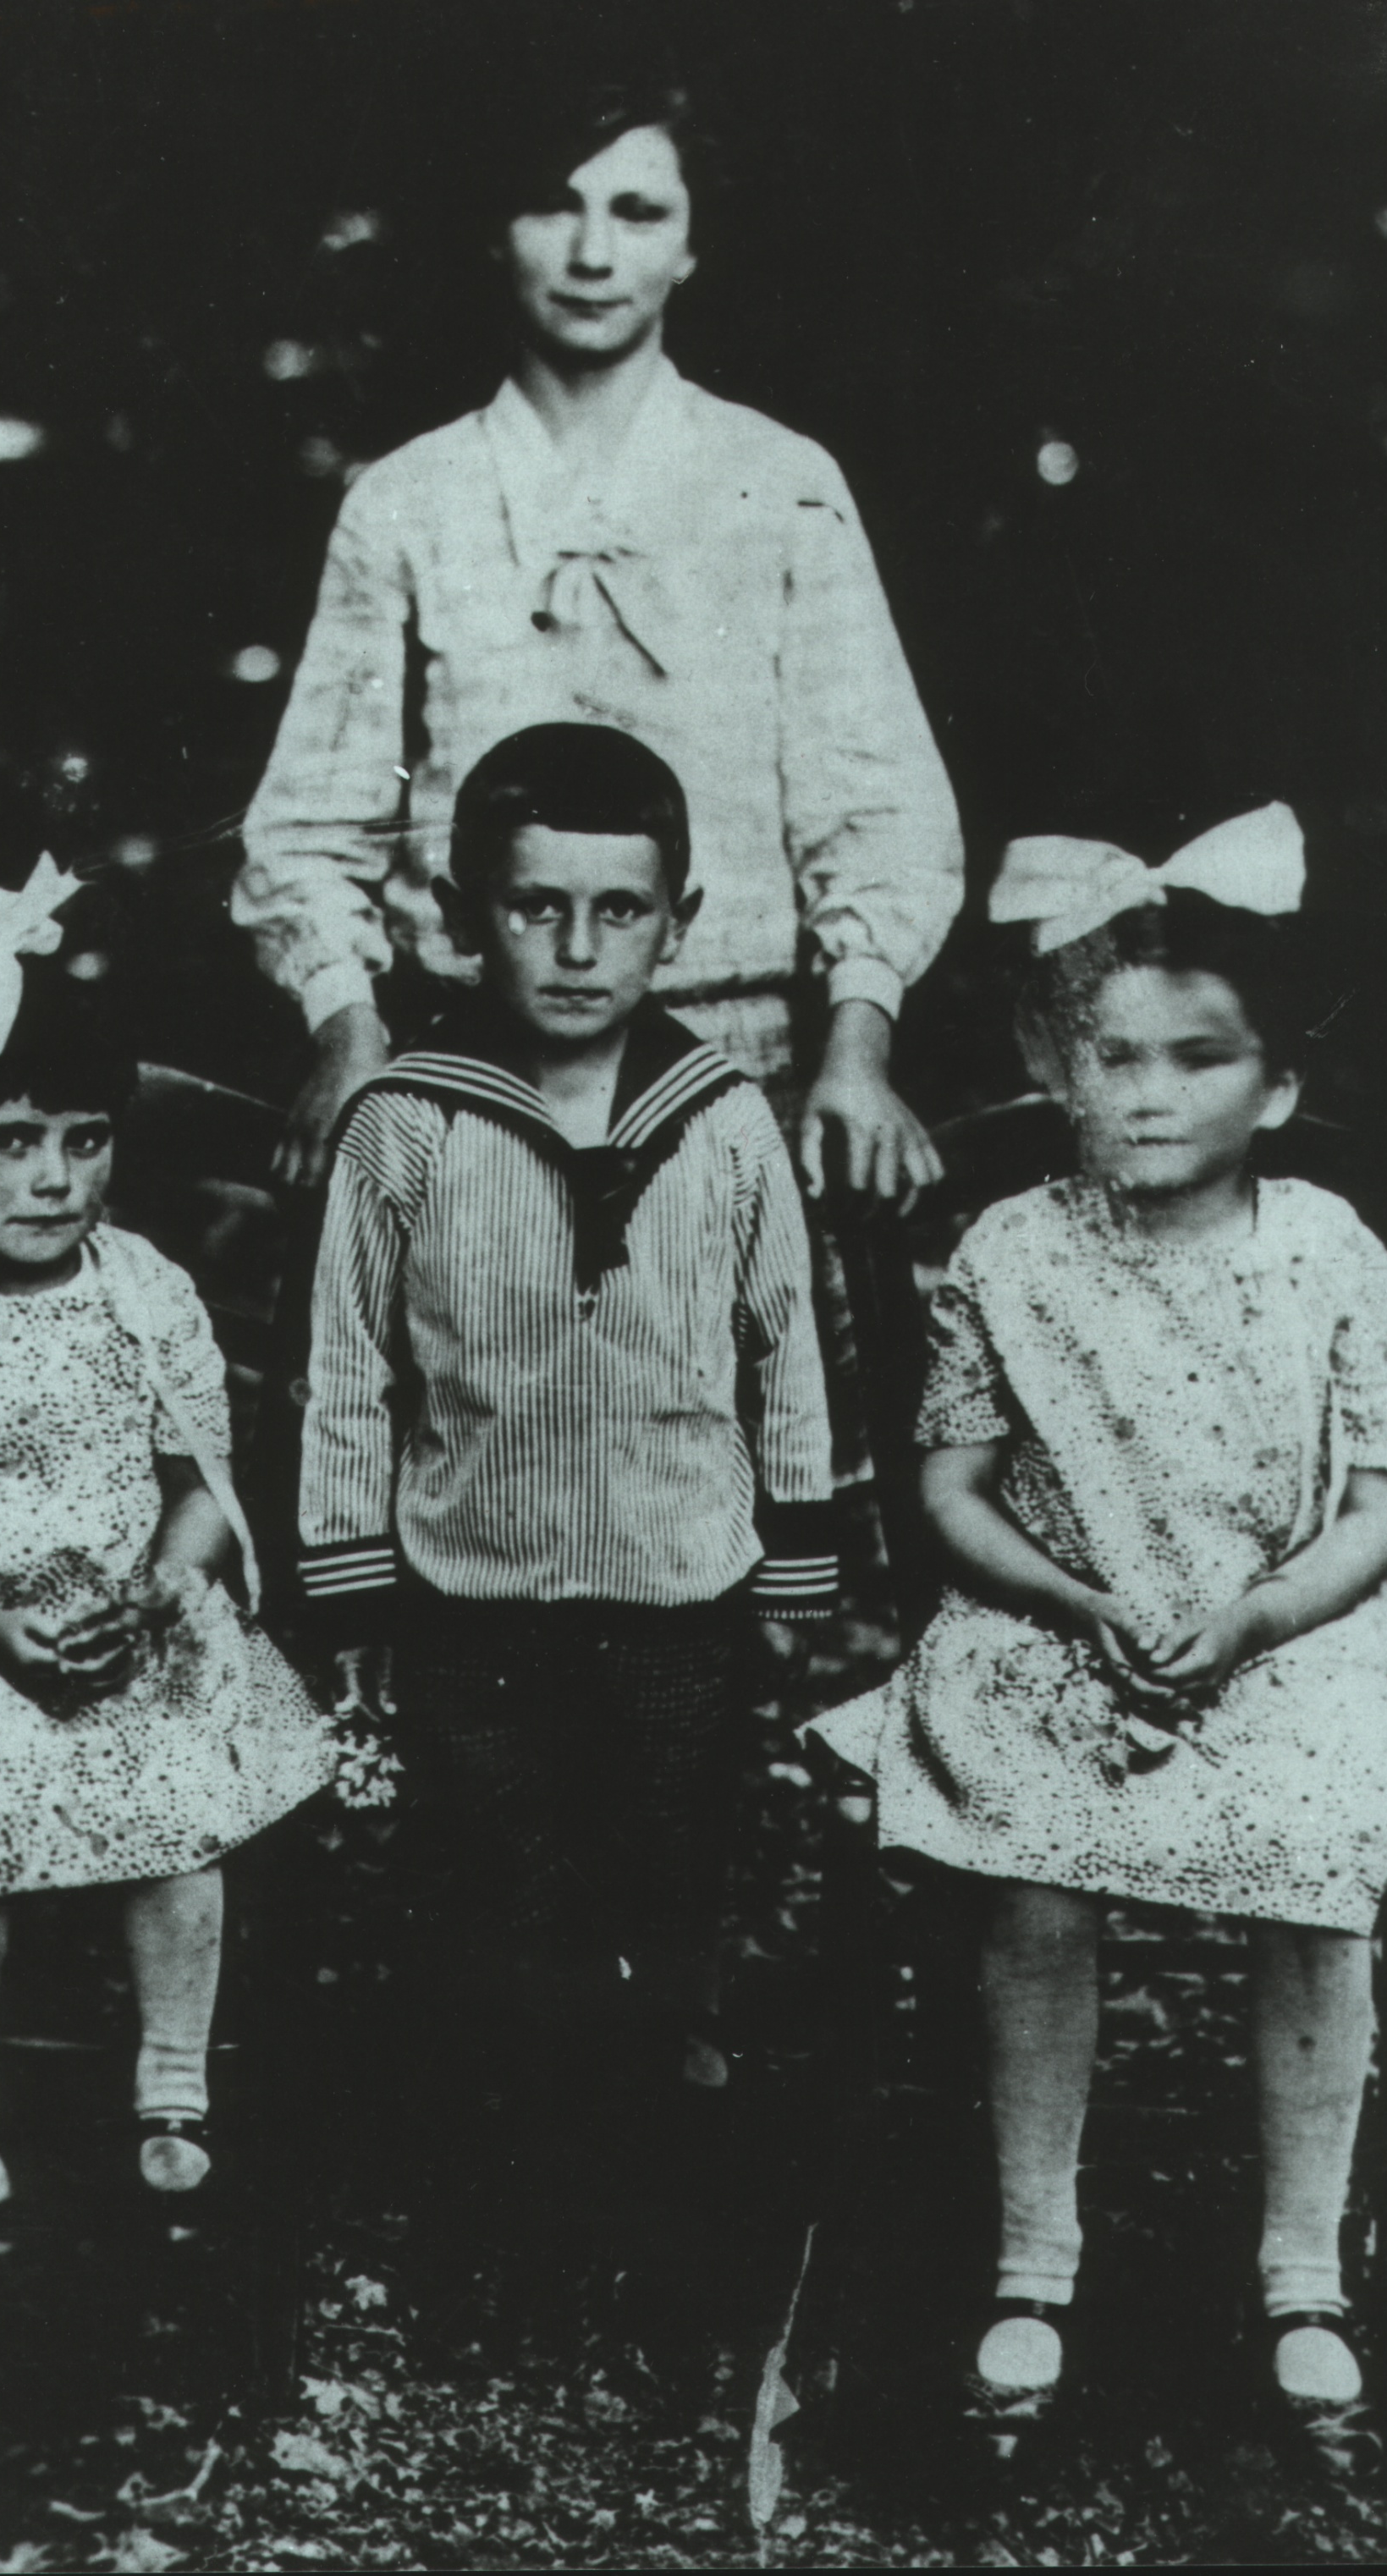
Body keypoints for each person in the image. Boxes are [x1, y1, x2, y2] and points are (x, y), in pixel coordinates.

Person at [812, 809, 1387, 2439]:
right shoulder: (1015, 1253)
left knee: (1319, 1840)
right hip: (1056, 1626)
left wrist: (1261, 1613)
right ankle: (1033, 2256)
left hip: (1275, 1635)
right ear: (1058, 1072)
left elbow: (1377, 1506)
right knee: (1027, 1837)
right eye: (1110, 1056)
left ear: (1275, 1088)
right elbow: (949, 1487)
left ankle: (1302, 2268)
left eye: (1196, 1058)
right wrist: (1066, 1596)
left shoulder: (1327, 1253)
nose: (1146, 1093)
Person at [233, 67, 963, 1208]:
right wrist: (348, 1027)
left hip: (741, 1061)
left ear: (691, 245)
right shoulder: (408, 500)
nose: (591, 254)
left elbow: (877, 809)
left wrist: (856, 1051)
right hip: (463, 1061)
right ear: (497, 231)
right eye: (553, 207)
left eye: (637, 213)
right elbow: (313, 824)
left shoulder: (779, 482)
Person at [296, 724, 839, 2125]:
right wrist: (351, 1578)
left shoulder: (721, 1118)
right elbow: (347, 1365)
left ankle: (655, 2103)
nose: (580, 950)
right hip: (471, 1579)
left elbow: (782, 1339)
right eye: (536, 908)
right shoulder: (406, 1121)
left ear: (679, 924)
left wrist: (795, 1559)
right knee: (494, 1862)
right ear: (461, 917)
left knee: (666, 1841)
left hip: (676, 1576)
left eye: (620, 912)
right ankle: (509, 2121)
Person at [0, 870, 333, 2210]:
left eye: (85, 1141)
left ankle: (173, 2075)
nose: (53, 1177)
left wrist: (164, 1582)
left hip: (120, 1613)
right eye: (10, 1139)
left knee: (176, 1819)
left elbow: (202, 1477)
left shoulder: (144, 1290)